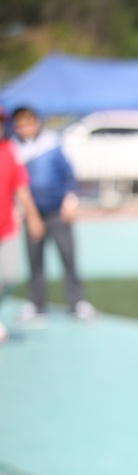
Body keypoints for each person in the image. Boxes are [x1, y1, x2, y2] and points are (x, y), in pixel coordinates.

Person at [10, 106, 94, 324]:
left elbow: (68, 174)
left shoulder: (52, 143)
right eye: (20, 124)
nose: (25, 128)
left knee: (68, 257)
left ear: (37, 122)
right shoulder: (13, 148)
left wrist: (70, 199)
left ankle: (77, 302)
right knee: (35, 260)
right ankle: (36, 303)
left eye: (28, 122)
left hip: (57, 211)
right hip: (32, 214)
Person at [0, 103, 45, 344]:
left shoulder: (9, 150)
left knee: (10, 276)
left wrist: (33, 216)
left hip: (6, 227)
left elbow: (21, 187)